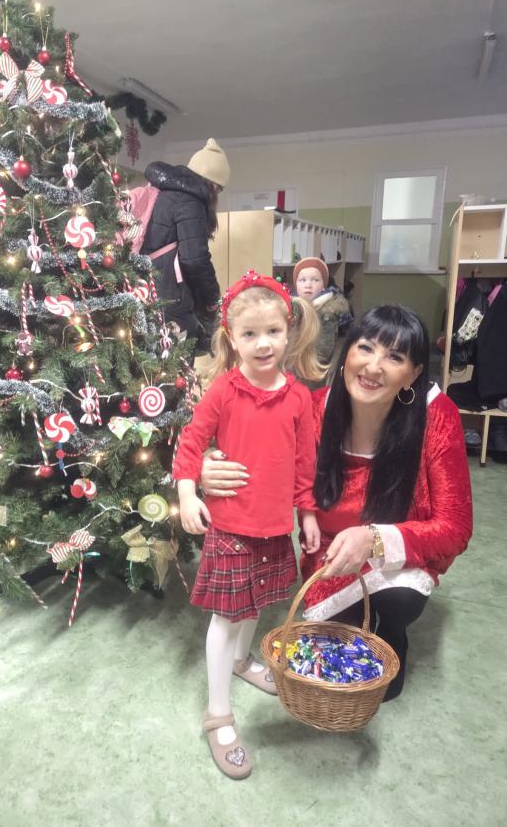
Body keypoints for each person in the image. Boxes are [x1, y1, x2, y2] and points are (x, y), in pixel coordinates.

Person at [200, 305, 473, 703]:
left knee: (398, 603)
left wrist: (375, 539)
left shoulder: (436, 416)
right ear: (348, 352)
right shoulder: (312, 408)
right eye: (365, 348)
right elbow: (259, 456)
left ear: (413, 374)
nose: (373, 367)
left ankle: (391, 634)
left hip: (399, 553)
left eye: (394, 357)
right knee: (335, 650)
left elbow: (456, 527)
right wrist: (210, 467)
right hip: (330, 556)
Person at [173, 270, 325, 779]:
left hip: (275, 528)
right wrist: (188, 492)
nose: (264, 344)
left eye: (273, 331)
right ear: (232, 338)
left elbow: (305, 462)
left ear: (289, 331)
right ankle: (218, 714)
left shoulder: (299, 397)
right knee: (226, 615)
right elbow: (191, 443)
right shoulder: (223, 391)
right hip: (231, 527)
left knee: (257, 604)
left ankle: (242, 661)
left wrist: (306, 513)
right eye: (250, 334)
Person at [141, 138, 229, 355]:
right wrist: (212, 297)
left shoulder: (164, 191)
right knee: (176, 365)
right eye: (218, 189)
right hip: (171, 297)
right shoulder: (190, 200)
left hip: (145, 288)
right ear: (212, 184)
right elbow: (194, 259)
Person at [292, 256, 352, 379]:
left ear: (323, 285)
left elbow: (326, 352)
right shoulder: (289, 307)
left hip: (319, 369)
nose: (308, 285)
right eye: (302, 280)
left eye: (315, 280)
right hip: (293, 367)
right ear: (296, 284)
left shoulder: (330, 310)